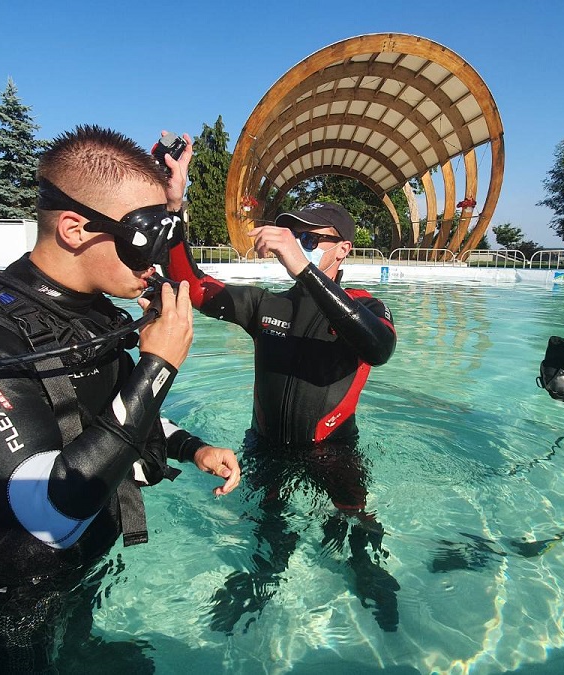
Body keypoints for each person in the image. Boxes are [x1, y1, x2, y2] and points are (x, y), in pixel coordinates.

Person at [0, 125, 241, 673]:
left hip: (78, 564)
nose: (157, 260)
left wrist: (191, 448)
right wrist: (158, 366)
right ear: (75, 228)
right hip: (13, 597)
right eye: (144, 239)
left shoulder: (89, 317)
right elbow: (48, 511)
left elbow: (105, 410)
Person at [162, 138, 399, 633]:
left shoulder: (366, 306)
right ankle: (263, 578)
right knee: (269, 526)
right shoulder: (266, 306)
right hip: (265, 447)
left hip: (331, 451)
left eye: (310, 239)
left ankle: (367, 571)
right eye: (293, 236)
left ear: (342, 249)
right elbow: (192, 283)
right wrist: (174, 206)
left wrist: (303, 267)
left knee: (354, 519)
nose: (297, 244)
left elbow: (377, 347)